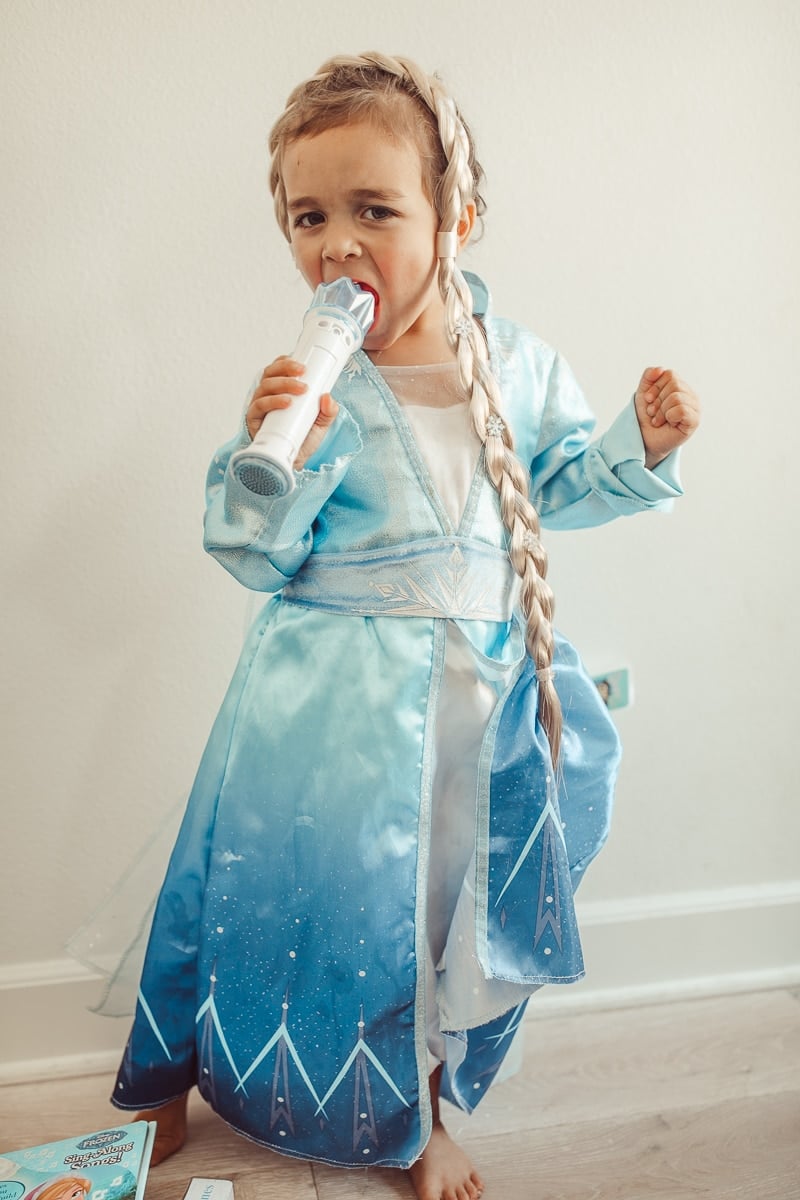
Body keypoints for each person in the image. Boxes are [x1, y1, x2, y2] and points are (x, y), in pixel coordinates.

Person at [109, 52, 700, 1200]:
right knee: (244, 891)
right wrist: (271, 447)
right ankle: (158, 1074)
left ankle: (409, 1114)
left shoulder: (513, 364)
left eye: (373, 210)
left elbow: (557, 489)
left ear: (455, 219)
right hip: (318, 708)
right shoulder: (310, 384)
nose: (336, 244)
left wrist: (639, 442)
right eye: (307, 217)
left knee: (429, 915)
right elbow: (251, 552)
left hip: (465, 705)